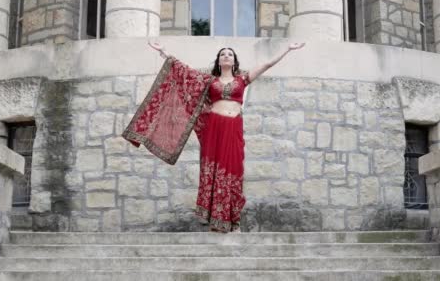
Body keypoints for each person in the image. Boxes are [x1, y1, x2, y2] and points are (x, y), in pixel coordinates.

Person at [122, 42, 305, 233]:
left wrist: (287, 49)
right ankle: (214, 221)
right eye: (222, 54)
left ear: (234, 61)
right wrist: (163, 52)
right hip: (213, 130)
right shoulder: (209, 81)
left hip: (233, 129)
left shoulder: (243, 79)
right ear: (218, 61)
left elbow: (267, 64)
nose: (226, 56)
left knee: (233, 171)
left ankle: (233, 221)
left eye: (230, 54)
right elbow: (183, 72)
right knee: (214, 171)